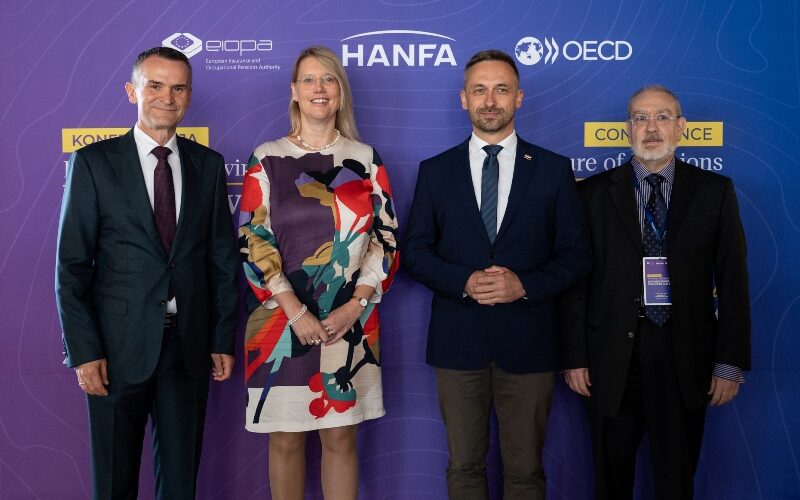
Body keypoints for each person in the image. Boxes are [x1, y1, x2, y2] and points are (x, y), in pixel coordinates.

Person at [403, 49, 591, 500]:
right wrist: (464, 282)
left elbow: (576, 255)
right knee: (464, 467)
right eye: (480, 90)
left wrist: (524, 285)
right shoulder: (435, 171)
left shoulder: (553, 170)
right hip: (458, 343)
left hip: (529, 343)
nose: (490, 101)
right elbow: (415, 252)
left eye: (501, 90)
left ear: (518, 98)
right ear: (463, 99)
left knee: (525, 472)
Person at [55, 47, 239, 499]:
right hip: (115, 351)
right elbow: (72, 268)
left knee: (180, 485)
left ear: (189, 95)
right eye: (155, 85)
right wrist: (84, 351)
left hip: (188, 348)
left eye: (178, 88)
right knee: (113, 483)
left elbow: (221, 260)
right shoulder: (93, 163)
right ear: (132, 91)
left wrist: (221, 338)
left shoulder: (209, 165)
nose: (166, 98)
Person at [560, 85, 751, 500]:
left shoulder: (715, 192)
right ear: (628, 128)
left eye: (662, 117)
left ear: (681, 127)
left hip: (686, 359)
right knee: (611, 483)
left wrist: (729, 364)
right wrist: (574, 356)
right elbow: (576, 283)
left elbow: (733, 281)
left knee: (676, 482)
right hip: (611, 360)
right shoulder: (591, 194)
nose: (651, 128)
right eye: (640, 118)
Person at [238, 46, 399, 500]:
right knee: (286, 439)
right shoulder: (267, 158)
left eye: (328, 79)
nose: (319, 88)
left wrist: (355, 304)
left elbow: (385, 238)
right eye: (309, 79)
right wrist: (294, 311)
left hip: (351, 320)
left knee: (341, 436)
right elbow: (253, 240)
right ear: (294, 91)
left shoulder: (364, 158)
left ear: (340, 92)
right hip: (279, 319)